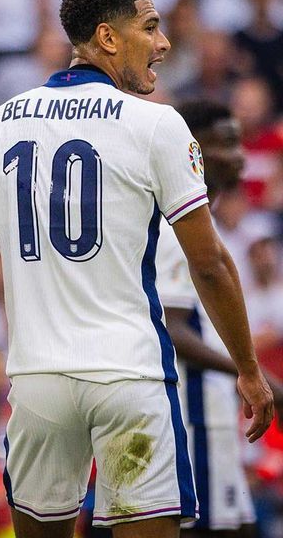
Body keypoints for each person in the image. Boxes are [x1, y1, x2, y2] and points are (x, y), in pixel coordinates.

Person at [0, 0, 275, 538]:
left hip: (37, 384)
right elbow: (210, 263)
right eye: (150, 27)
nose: (164, 41)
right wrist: (249, 369)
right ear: (107, 37)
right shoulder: (156, 125)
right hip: (129, 378)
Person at [155, 100, 282, 537]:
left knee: (241, 526)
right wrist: (252, 373)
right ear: (194, 151)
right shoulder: (177, 227)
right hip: (191, 419)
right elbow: (170, 330)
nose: (241, 154)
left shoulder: (211, 225)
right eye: (226, 143)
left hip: (214, 411)